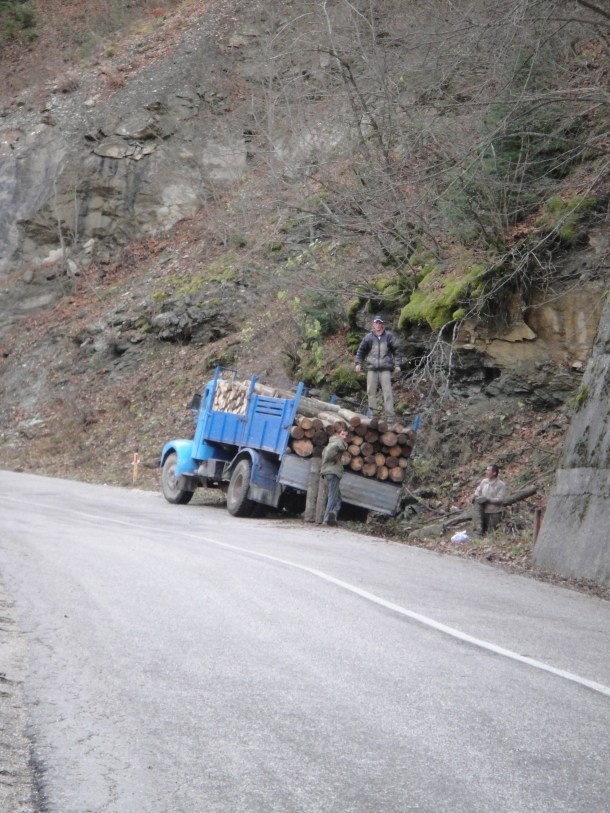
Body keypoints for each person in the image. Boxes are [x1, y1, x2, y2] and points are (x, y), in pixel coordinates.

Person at [354, 315, 401, 423]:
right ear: (373, 324)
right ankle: (374, 415)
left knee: (387, 392)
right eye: (376, 323)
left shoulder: (389, 336)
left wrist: (398, 365)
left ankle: (390, 417)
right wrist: (358, 363)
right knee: (371, 392)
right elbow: (361, 351)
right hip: (372, 368)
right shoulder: (368, 337)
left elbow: (397, 350)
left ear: (382, 324)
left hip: (385, 368)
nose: (378, 325)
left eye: (380, 323)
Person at [320, 427, 349, 526]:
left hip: (330, 472)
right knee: (332, 497)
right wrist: (328, 461)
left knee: (338, 497)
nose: (344, 437)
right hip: (333, 473)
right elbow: (332, 450)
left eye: (346, 435)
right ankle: (326, 519)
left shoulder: (331, 443)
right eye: (342, 435)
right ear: (337, 434)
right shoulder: (336, 443)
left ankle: (333, 516)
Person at [472, 463, 508, 534]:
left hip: (494, 513)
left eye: (488, 470)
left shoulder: (501, 485)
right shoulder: (484, 481)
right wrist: (476, 496)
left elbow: (500, 500)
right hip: (482, 512)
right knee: (479, 530)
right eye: (486, 470)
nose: (486, 472)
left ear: (494, 473)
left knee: (491, 533)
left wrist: (488, 499)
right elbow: (478, 490)